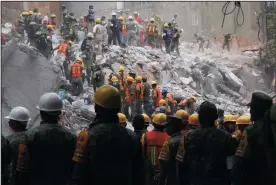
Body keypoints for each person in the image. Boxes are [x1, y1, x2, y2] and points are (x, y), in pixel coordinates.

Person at [71, 85, 144, 185]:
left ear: (96, 108)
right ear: (118, 109)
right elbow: (139, 174)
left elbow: (78, 174)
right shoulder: (132, 137)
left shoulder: (86, 136)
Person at [15, 92, 77, 185]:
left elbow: (22, 166)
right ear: (60, 113)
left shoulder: (30, 135)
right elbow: (75, 165)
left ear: (40, 112)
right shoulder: (71, 136)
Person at [179, 101, 236, 185]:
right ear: (216, 117)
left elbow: (181, 164)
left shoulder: (188, 137)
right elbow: (231, 165)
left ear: (199, 117)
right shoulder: (227, 137)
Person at [232, 91, 273, 185]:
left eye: (251, 108)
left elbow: (240, 161)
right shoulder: (272, 127)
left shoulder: (250, 131)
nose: (250, 111)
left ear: (256, 110)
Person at [4, 107, 30, 185]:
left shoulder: (9, 140)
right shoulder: (33, 136)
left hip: (15, 179)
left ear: (15, 124)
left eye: (10, 121)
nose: (8, 123)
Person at [141, 113, 170, 185]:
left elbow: (142, 153)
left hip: (149, 170)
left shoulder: (146, 135)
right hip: (163, 171)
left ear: (153, 123)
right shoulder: (169, 138)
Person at [159, 115, 183, 185]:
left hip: (171, 180)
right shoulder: (186, 139)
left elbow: (163, 167)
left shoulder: (169, 143)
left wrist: (161, 182)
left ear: (173, 127)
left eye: (167, 126)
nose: (165, 128)